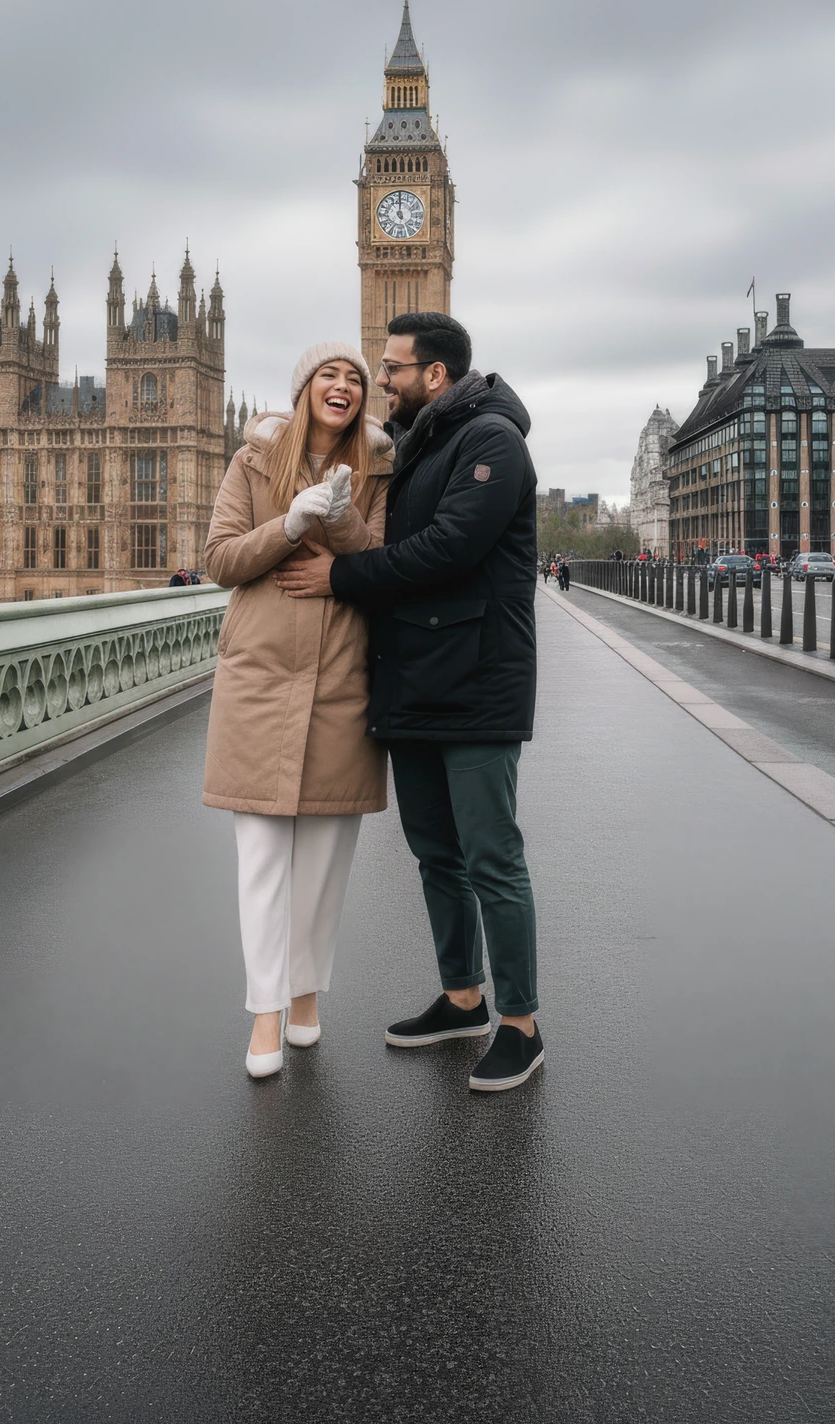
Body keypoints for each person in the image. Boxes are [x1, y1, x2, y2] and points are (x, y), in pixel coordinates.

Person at [276, 311, 542, 1095]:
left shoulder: (492, 440)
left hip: (478, 680)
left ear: (434, 375)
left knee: (493, 856)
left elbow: (448, 549)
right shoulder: (420, 442)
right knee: (437, 855)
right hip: (419, 680)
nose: (378, 380)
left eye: (389, 368)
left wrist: (340, 577)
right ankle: (463, 998)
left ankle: (521, 1025)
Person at [203, 343, 394, 1079]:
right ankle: (265, 1012)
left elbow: (381, 561)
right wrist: (289, 524)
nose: (342, 386)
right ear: (305, 388)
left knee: (323, 865)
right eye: (330, 375)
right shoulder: (251, 464)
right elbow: (219, 559)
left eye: (355, 378)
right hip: (259, 677)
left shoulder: (379, 470)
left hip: (340, 677)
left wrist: (340, 527)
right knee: (261, 864)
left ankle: (307, 994)